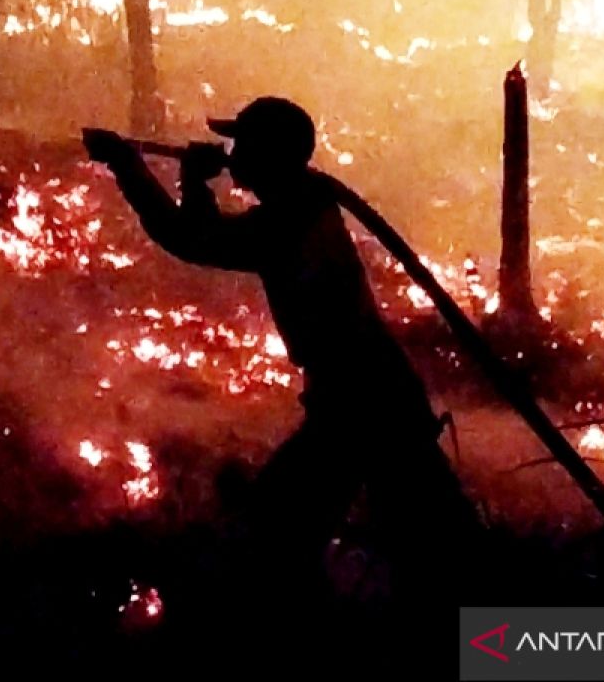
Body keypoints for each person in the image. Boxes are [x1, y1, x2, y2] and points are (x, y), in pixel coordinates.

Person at [83, 97, 479, 607]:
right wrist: (194, 183)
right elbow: (207, 234)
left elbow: (190, 240)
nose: (232, 153)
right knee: (428, 543)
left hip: (361, 405)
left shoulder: (288, 222)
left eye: (241, 144)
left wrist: (132, 166)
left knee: (281, 533)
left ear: (268, 155)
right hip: (371, 395)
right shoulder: (306, 199)